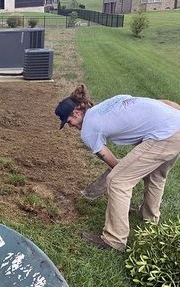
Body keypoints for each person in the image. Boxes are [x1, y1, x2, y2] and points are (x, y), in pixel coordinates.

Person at [55, 84, 180, 251]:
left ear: (76, 112)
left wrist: (128, 171)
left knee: (117, 181)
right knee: (156, 176)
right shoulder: (105, 105)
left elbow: (112, 163)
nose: (70, 126)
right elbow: (163, 103)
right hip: (175, 123)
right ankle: (149, 218)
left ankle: (114, 240)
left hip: (163, 135)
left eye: (69, 121)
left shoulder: (88, 130)